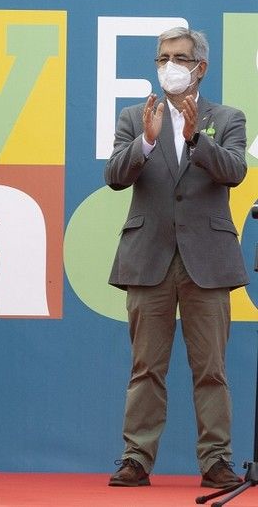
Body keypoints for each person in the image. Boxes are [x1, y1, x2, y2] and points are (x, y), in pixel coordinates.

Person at [105, 26, 249, 490]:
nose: (170, 65)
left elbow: (235, 172)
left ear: (200, 67)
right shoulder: (135, 116)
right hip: (149, 257)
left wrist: (195, 140)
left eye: (180, 58)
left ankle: (216, 461)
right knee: (146, 367)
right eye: (163, 57)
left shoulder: (226, 117)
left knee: (211, 368)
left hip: (206, 259)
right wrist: (145, 143)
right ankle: (136, 458)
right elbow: (114, 176)